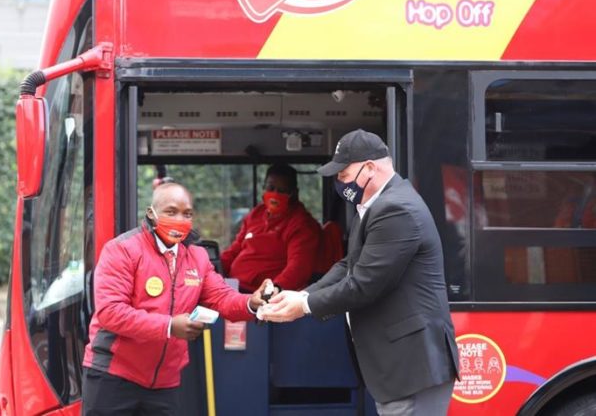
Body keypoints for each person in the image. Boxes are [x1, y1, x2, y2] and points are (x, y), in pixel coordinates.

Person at [262, 130, 459, 416]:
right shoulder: (373, 205)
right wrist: (304, 293)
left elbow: (364, 284)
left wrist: (303, 306)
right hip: (399, 366)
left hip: (412, 366)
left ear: (369, 168)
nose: (339, 182)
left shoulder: (395, 209)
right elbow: (349, 264)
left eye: (343, 174)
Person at [82, 182, 270, 416]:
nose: (180, 219)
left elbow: (221, 297)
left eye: (187, 214)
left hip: (164, 382)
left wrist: (250, 303)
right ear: (151, 213)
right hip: (113, 375)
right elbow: (111, 313)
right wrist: (170, 326)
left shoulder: (197, 257)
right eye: (171, 212)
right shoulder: (122, 250)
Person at [220, 163, 321, 292]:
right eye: (270, 188)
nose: (274, 194)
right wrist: (211, 268)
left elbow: (298, 268)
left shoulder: (301, 224)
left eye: (282, 190)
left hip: (262, 294)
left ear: (294, 193)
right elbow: (235, 249)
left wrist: (273, 291)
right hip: (233, 287)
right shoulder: (256, 214)